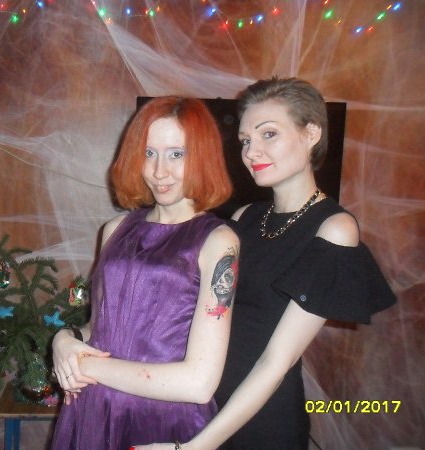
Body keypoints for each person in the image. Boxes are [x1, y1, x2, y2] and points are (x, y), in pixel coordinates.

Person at [135, 77, 396, 449]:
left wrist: (197, 447)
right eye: (245, 140)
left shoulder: (335, 229)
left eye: (268, 134)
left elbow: (277, 360)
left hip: (260, 421)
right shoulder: (245, 217)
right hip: (203, 402)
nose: (251, 152)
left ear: (311, 134)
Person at [50, 96, 240, 450]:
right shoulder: (115, 230)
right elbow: (101, 327)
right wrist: (64, 339)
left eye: (176, 154)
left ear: (202, 156)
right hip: (93, 412)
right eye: (149, 153)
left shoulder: (219, 242)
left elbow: (199, 384)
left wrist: (84, 366)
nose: (159, 171)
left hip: (162, 421)